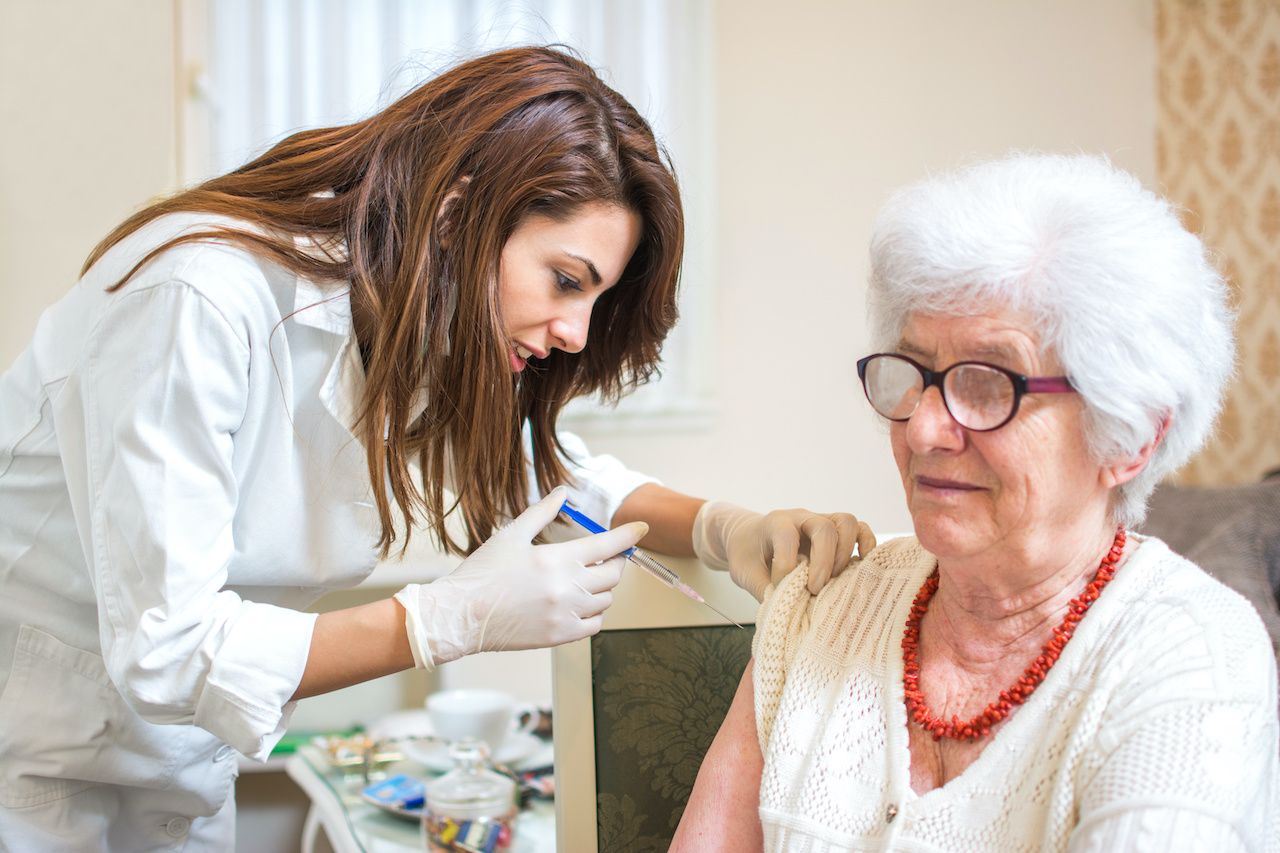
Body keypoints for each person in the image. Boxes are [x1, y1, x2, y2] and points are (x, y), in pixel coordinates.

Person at [0, 46, 873, 849]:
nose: (574, 331)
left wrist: (730, 529)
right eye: (565, 280)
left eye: (595, 302)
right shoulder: (198, 300)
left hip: (178, 771)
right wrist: (441, 621)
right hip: (29, 760)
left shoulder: (410, 322)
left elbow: (561, 487)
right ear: (457, 214)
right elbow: (168, 650)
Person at [673, 153, 1280, 851]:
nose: (925, 429)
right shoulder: (820, 608)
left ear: (1132, 435)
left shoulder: (1193, 656)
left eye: (990, 383)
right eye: (916, 372)